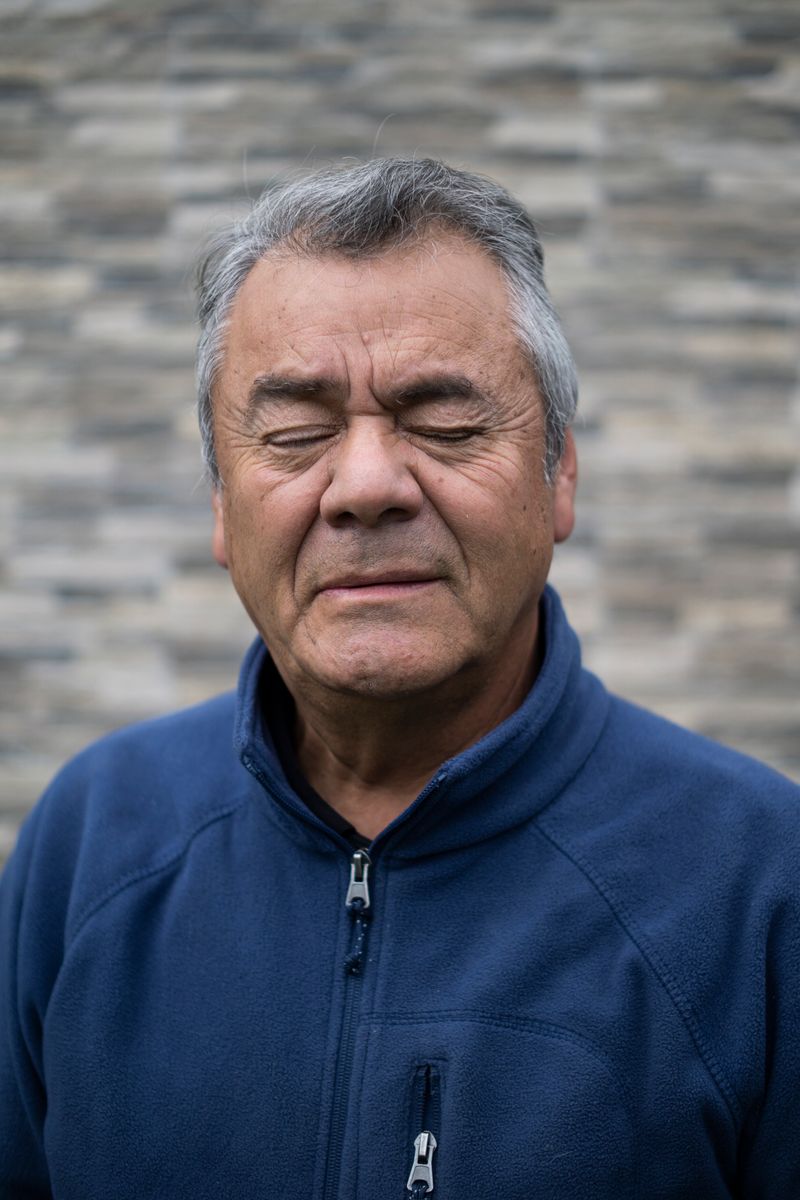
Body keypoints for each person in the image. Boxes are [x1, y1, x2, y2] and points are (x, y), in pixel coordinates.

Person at [1, 158, 797, 1200]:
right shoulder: (93, 841)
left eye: (444, 422)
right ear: (218, 502)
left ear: (558, 472)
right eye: (294, 433)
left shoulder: (758, 881)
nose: (367, 487)